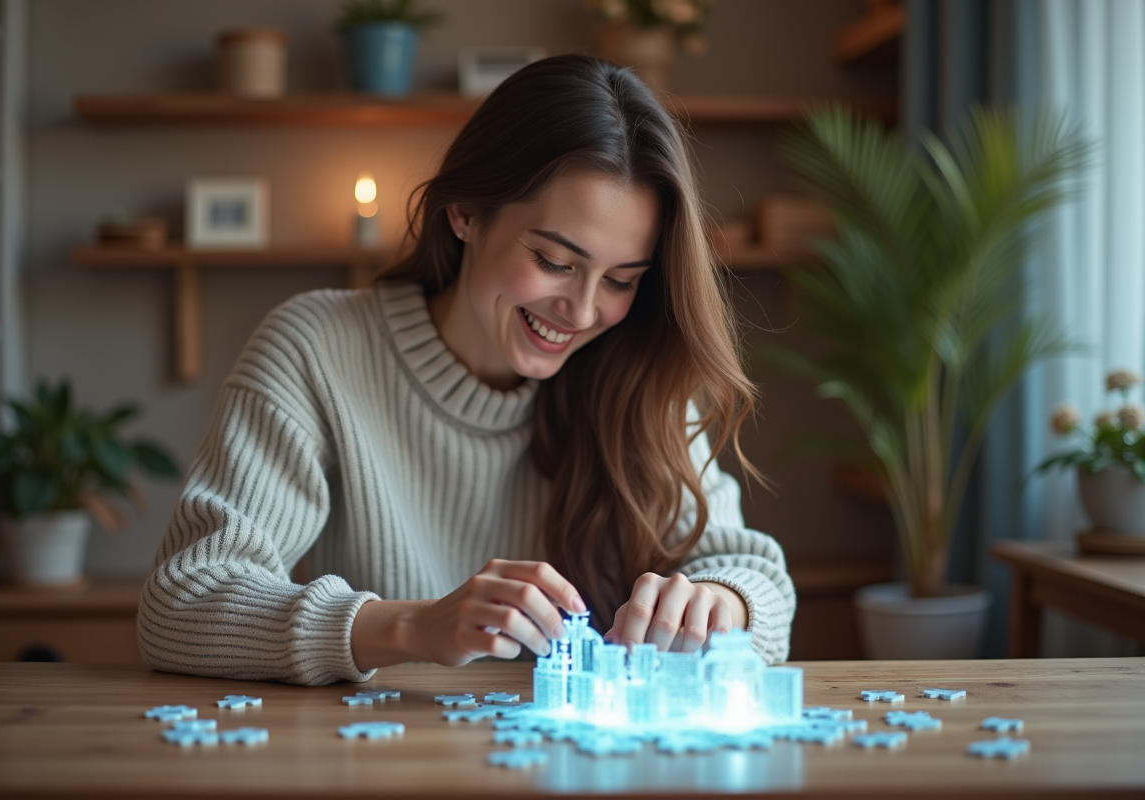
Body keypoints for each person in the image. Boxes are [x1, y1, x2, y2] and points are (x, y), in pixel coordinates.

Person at [138, 54, 795, 686]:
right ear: (466, 213)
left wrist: (718, 603)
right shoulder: (316, 348)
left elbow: (755, 582)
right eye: (555, 262)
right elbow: (181, 602)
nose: (584, 310)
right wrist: (414, 628)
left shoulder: (637, 372)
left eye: (622, 280)